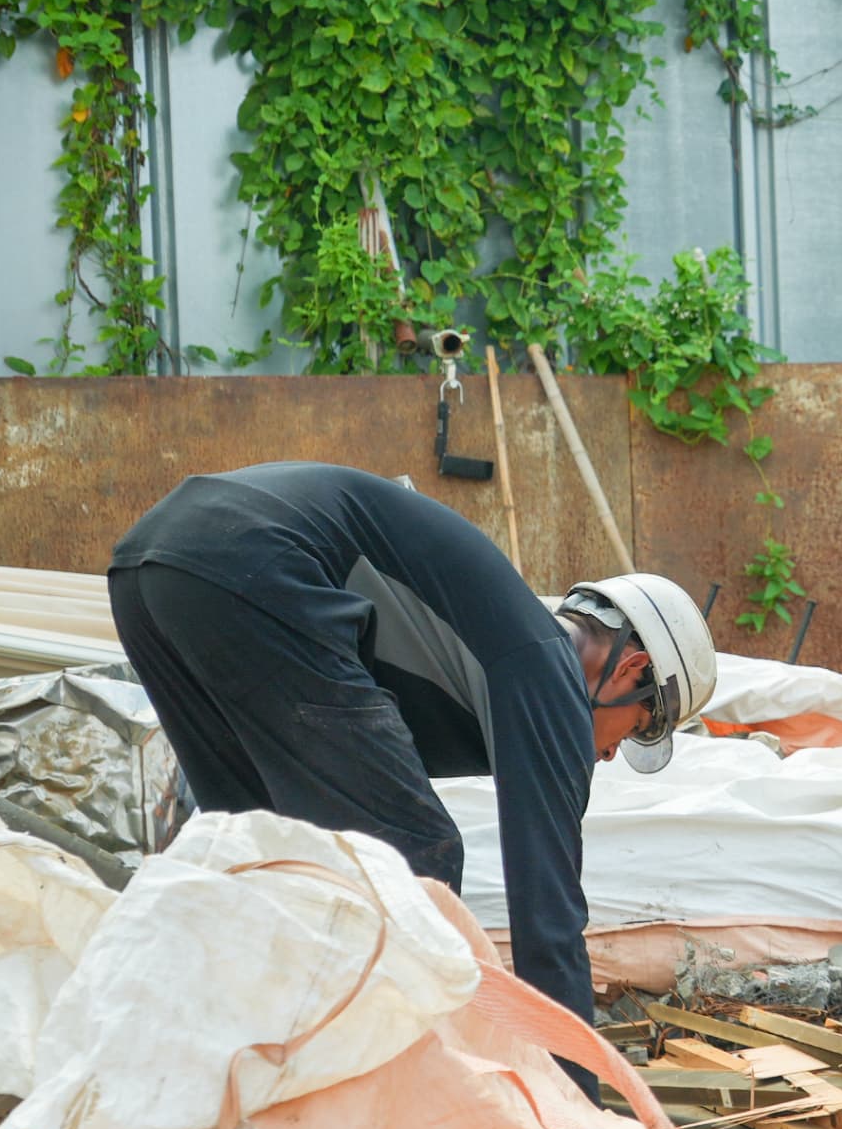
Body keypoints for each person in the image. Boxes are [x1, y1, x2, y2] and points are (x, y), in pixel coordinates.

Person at [106, 462, 716, 1095]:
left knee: (265, 852)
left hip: (153, 563)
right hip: (254, 561)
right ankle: (381, 1098)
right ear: (629, 668)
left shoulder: (482, 645)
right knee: (415, 852)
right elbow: (548, 921)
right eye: (639, 726)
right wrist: (579, 1105)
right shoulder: (547, 670)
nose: (614, 754)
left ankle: (214, 1077)